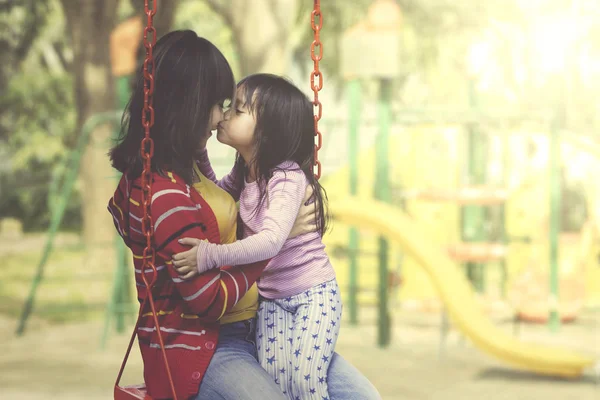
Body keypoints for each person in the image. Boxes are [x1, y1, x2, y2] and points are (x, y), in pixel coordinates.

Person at [108, 29, 380, 400]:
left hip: (268, 317)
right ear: (190, 104)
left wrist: (277, 230)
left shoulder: (195, 164)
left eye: (233, 107)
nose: (222, 116)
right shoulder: (161, 192)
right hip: (211, 342)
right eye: (219, 104)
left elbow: (236, 211)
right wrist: (273, 245)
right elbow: (206, 299)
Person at [173, 74, 341, 400]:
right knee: (278, 381)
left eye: (237, 111)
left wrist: (211, 254)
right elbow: (218, 196)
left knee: (304, 380)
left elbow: (269, 241)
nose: (224, 115)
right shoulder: (247, 170)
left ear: (266, 131)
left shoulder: (286, 178)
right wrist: (200, 152)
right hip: (272, 301)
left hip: (312, 295)